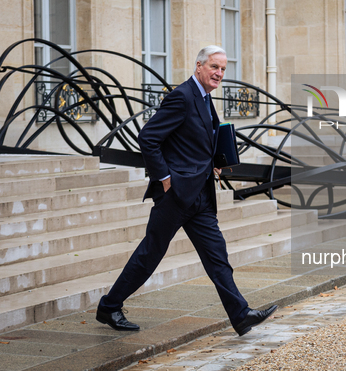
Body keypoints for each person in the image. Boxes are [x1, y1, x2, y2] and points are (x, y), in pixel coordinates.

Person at [95, 45, 277, 336]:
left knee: (217, 256)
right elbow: (148, 138)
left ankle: (241, 316)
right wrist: (165, 178)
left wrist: (216, 162)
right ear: (199, 66)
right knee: (149, 255)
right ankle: (109, 306)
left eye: (223, 69)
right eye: (214, 67)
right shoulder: (182, 96)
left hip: (201, 195)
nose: (219, 73)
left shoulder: (205, 98)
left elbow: (199, 139)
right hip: (176, 195)